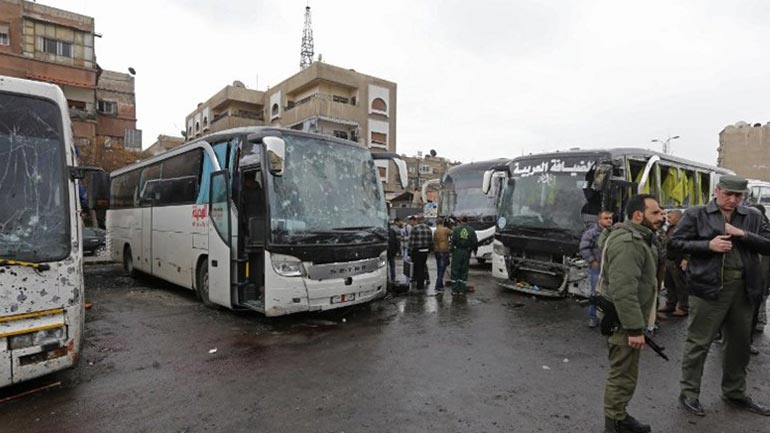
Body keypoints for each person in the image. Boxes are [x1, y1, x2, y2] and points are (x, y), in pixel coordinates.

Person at [670, 175, 770, 417]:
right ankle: (689, 393)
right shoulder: (697, 214)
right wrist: (707, 246)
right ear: (717, 191)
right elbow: (673, 244)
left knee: (739, 345)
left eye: (739, 196)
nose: (733, 200)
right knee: (698, 343)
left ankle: (735, 392)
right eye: (728, 194)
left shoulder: (752, 217)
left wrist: (742, 234)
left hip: (743, 289)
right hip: (708, 288)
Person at [599, 194, 664, 433]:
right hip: (624, 322)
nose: (662, 217)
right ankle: (615, 423)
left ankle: (619, 417)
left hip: (626, 319)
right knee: (622, 375)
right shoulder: (629, 243)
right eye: (655, 212)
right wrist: (635, 329)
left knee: (626, 374)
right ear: (639, 215)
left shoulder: (640, 238)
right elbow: (624, 289)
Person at [580, 209, 613, 328]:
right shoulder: (591, 233)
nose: (609, 220)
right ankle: (592, 318)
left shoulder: (613, 233)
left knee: (608, 294)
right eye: (606, 218)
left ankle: (607, 318)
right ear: (599, 220)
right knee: (596, 293)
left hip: (609, 268)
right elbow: (584, 248)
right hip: (597, 268)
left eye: (610, 218)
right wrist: (592, 261)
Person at [659, 209, 689, 318]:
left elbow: (688, 245)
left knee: (680, 285)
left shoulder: (685, 229)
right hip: (669, 260)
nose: (667, 219)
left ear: (677, 217)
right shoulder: (670, 228)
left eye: (670, 217)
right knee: (669, 284)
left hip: (678, 260)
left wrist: (686, 259)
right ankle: (670, 304)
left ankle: (684, 307)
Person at [450, 216, 478, 295]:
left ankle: (455, 290)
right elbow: (475, 242)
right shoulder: (471, 230)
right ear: (467, 221)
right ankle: (462, 290)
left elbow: (453, 242)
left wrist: (451, 251)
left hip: (457, 252)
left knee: (455, 270)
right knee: (464, 271)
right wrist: (474, 250)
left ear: (460, 221)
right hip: (466, 252)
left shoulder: (456, 230)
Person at [408, 215, 433, 293]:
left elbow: (411, 242)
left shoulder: (414, 228)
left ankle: (419, 286)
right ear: (423, 220)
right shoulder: (428, 228)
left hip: (417, 251)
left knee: (418, 268)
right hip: (425, 251)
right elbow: (430, 241)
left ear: (417, 220)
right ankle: (421, 284)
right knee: (422, 266)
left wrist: (410, 251)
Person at [433, 217, 452, 292]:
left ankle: (440, 285)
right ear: (442, 223)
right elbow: (452, 232)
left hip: (437, 251)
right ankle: (437, 286)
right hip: (444, 251)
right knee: (442, 269)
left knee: (439, 268)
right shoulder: (445, 229)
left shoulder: (435, 231)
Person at [388, 218, 403, 283]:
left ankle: (387, 278)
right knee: (392, 266)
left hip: (386, 251)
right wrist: (398, 250)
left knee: (385, 266)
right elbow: (397, 241)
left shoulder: (383, 231)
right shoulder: (393, 231)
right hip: (392, 251)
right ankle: (393, 279)